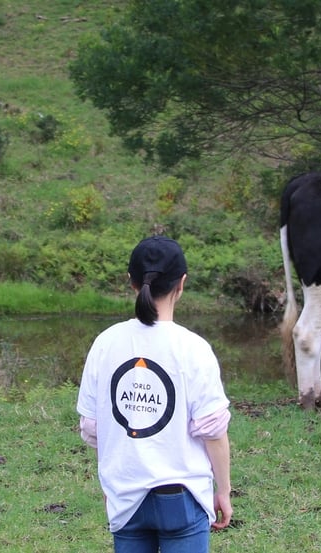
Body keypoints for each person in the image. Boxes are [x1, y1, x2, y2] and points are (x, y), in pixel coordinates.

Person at [77, 235, 233, 552]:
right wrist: (224, 492)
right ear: (182, 284)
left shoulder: (105, 343)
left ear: (131, 282)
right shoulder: (194, 348)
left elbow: (93, 430)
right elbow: (213, 433)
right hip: (183, 498)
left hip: (124, 498)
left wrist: (109, 485)